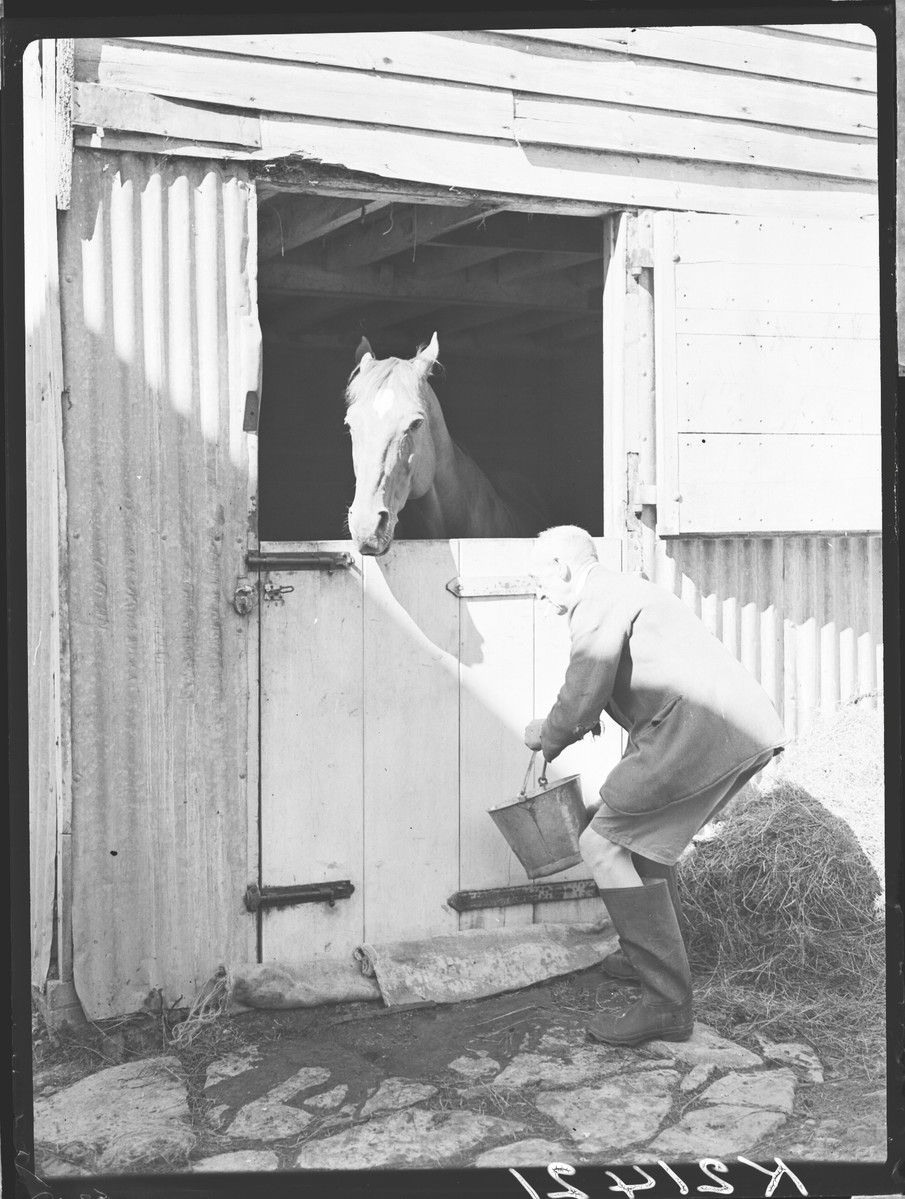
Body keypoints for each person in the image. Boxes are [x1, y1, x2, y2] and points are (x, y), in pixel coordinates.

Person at [524, 526, 786, 1048]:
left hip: (697, 731)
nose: (538, 593)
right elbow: (625, 678)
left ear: (561, 567)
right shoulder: (624, 589)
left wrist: (544, 734)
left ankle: (666, 1002)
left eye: (538, 580)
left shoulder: (594, 599)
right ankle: (662, 953)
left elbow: (577, 702)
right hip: (733, 725)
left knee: (600, 846)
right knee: (643, 845)